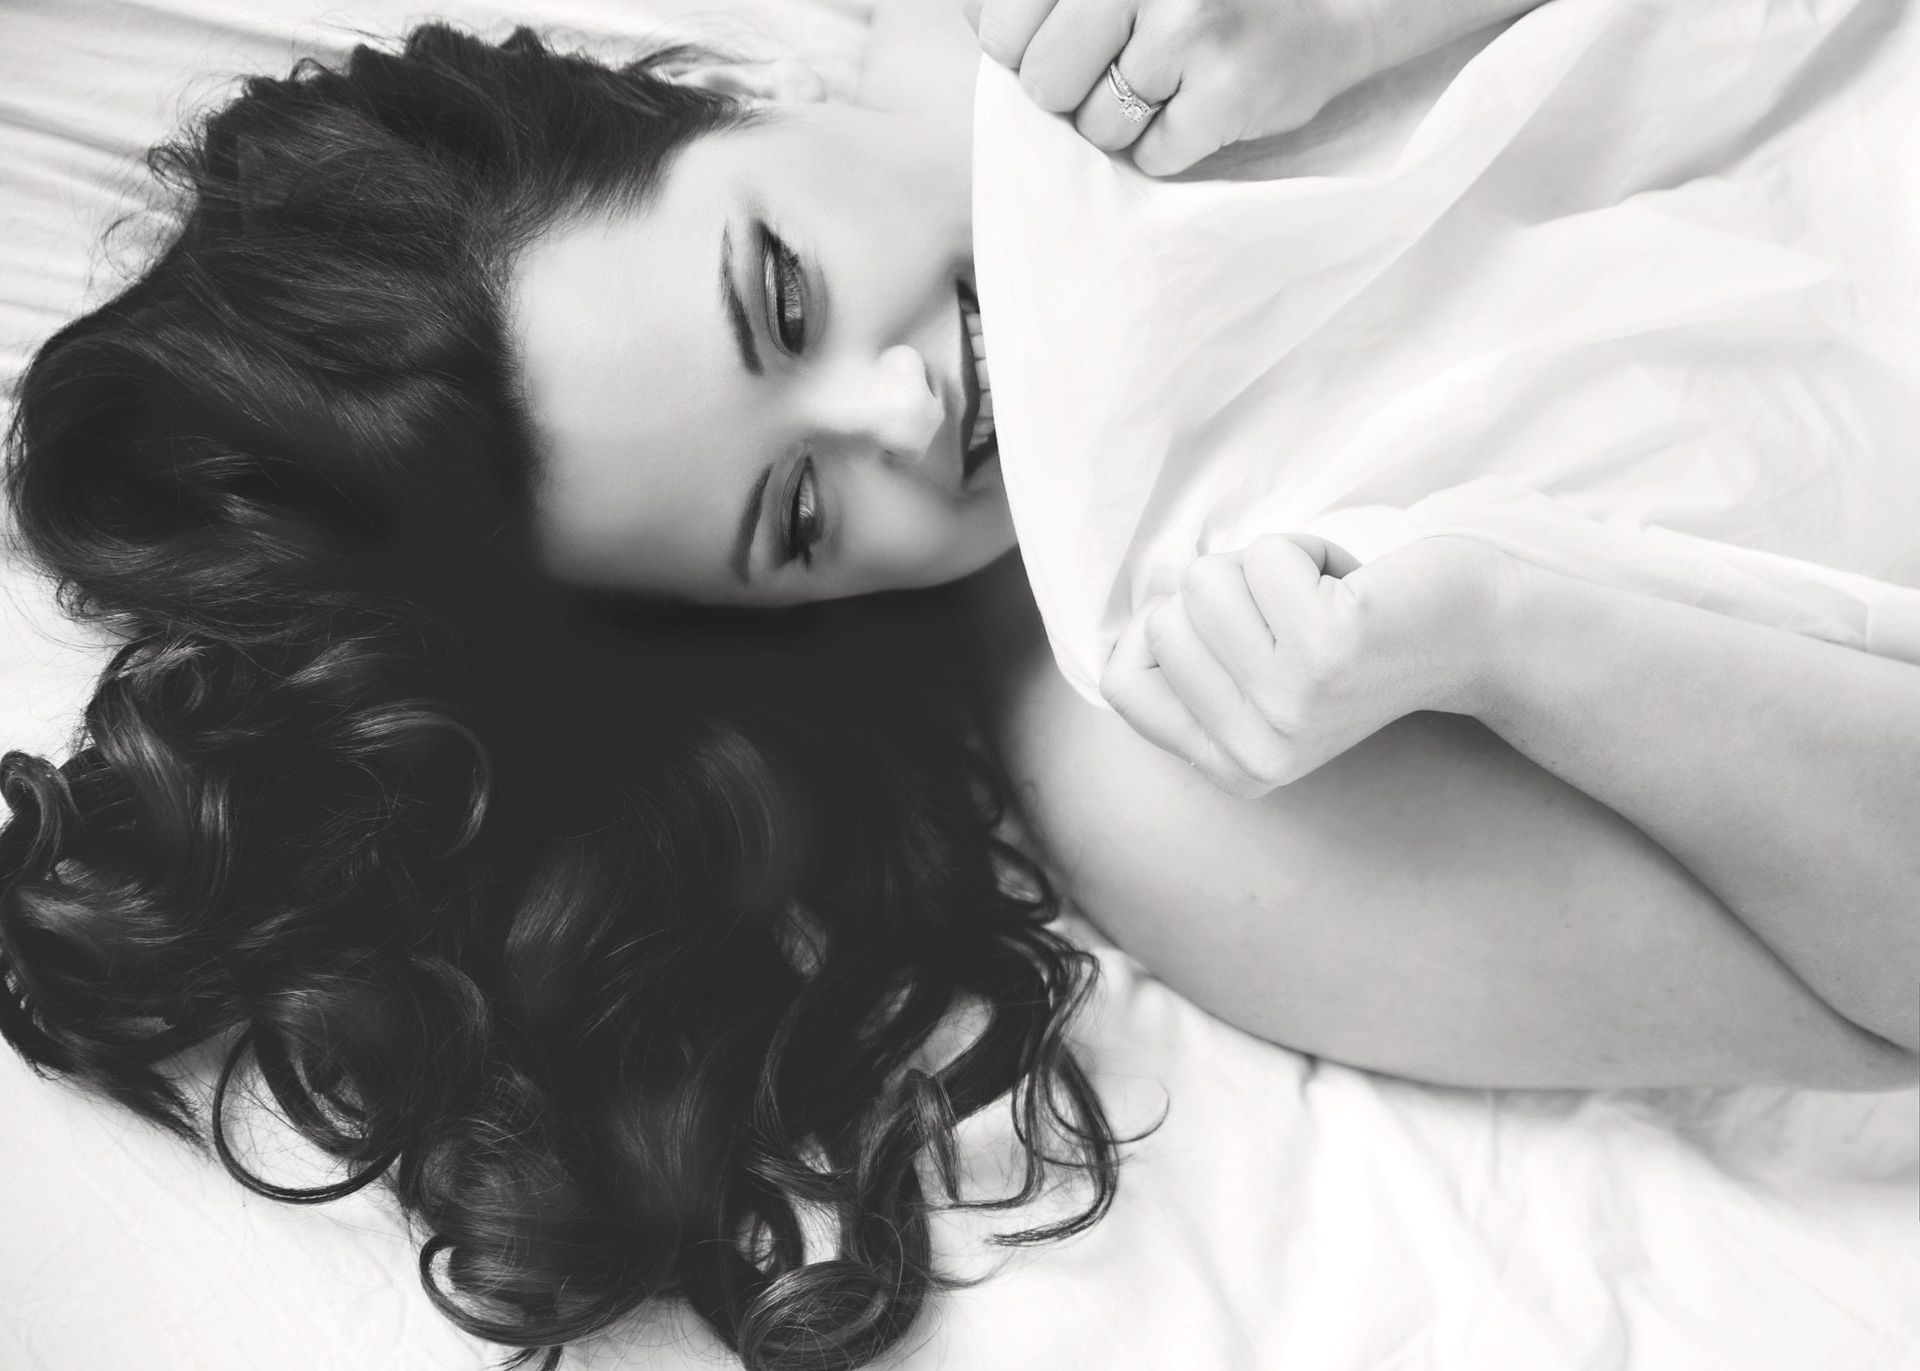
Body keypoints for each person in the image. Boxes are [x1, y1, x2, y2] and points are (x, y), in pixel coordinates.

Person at [0, 16, 1913, 1371]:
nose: (905, 410)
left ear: (753, 109)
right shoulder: (1170, 767)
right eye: (798, 507)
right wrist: (1523, 634)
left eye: (785, 297)